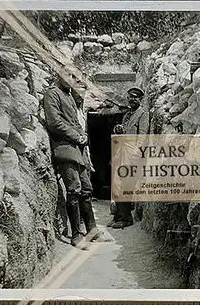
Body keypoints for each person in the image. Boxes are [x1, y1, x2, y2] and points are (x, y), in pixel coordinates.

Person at [42, 64, 101, 249]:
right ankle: (76, 235)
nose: (74, 80)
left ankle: (92, 230)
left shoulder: (69, 95)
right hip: (66, 148)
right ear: (60, 75)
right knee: (74, 189)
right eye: (70, 76)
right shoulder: (53, 93)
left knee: (87, 189)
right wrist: (77, 136)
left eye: (76, 77)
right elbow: (54, 122)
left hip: (79, 150)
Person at [109, 87, 150, 229]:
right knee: (118, 183)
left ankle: (126, 218)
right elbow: (122, 131)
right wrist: (118, 129)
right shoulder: (127, 115)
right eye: (130, 97)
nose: (132, 99)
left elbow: (143, 136)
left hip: (132, 154)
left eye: (135, 97)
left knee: (125, 185)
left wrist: (135, 156)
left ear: (140, 99)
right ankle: (118, 215)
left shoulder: (143, 114)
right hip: (122, 152)